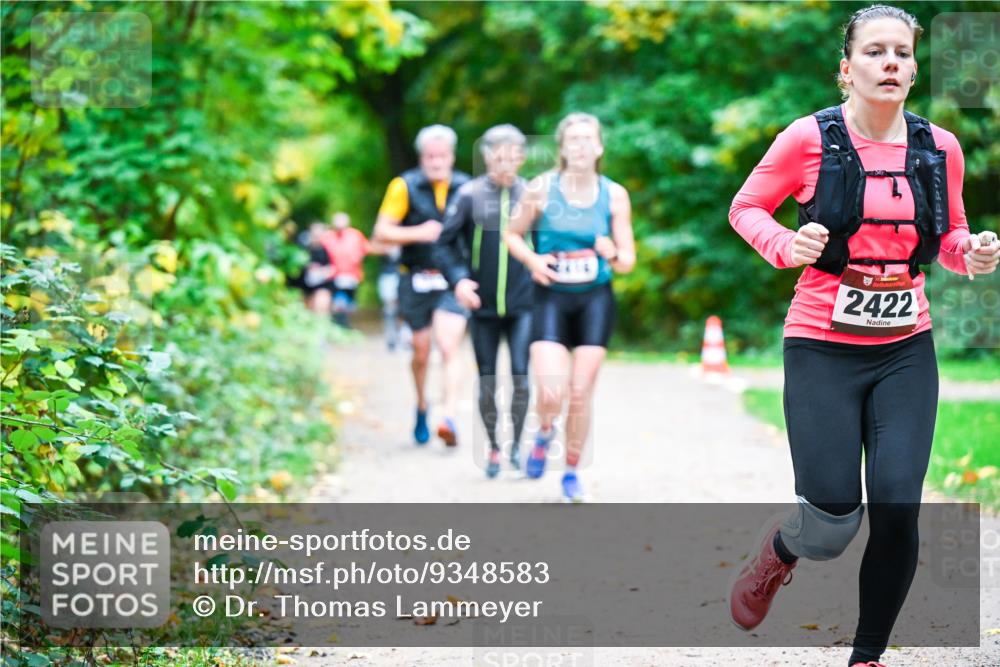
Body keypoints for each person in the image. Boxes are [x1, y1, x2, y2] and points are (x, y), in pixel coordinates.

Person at [725, 6, 1000, 666]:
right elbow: (746, 207)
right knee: (830, 523)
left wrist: (973, 253)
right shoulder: (808, 138)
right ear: (847, 69)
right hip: (821, 343)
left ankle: (868, 655)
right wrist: (786, 244)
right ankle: (780, 550)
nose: (890, 63)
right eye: (875, 52)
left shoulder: (939, 147)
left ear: (914, 69)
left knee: (899, 506)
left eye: (902, 53)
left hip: (906, 345)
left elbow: (949, 237)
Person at [505, 112, 636, 502]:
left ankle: (571, 472)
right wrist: (533, 260)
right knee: (551, 391)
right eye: (572, 139)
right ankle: (545, 432)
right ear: (562, 148)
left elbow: (627, 261)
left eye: (587, 139)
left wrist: (613, 253)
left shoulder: (614, 194)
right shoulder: (541, 188)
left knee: (579, 393)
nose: (580, 146)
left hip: (595, 299)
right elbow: (511, 235)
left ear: (599, 147)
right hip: (550, 298)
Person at [434, 124, 535, 478]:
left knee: (521, 376)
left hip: (523, 305)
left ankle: (517, 447)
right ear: (487, 157)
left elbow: (549, 242)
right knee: (488, 379)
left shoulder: (533, 195)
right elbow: (443, 244)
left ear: (522, 158)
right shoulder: (469, 195)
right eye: (498, 156)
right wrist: (459, 280)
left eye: (512, 156)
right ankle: (493, 448)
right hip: (483, 306)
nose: (505, 163)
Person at [373, 125, 472, 446]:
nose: (436, 162)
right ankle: (421, 406)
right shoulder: (404, 186)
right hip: (414, 276)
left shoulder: (466, 187)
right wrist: (419, 233)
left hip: (453, 279)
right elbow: (381, 233)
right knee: (421, 351)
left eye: (442, 156)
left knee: (449, 345)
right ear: (421, 157)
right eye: (430, 156)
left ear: (452, 157)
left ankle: (449, 416)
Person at [317, 212, 372, 328]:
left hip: (352, 277)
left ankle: (343, 325)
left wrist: (357, 257)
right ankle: (341, 326)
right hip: (334, 277)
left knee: (348, 305)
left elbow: (366, 249)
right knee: (339, 303)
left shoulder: (355, 235)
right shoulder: (327, 237)